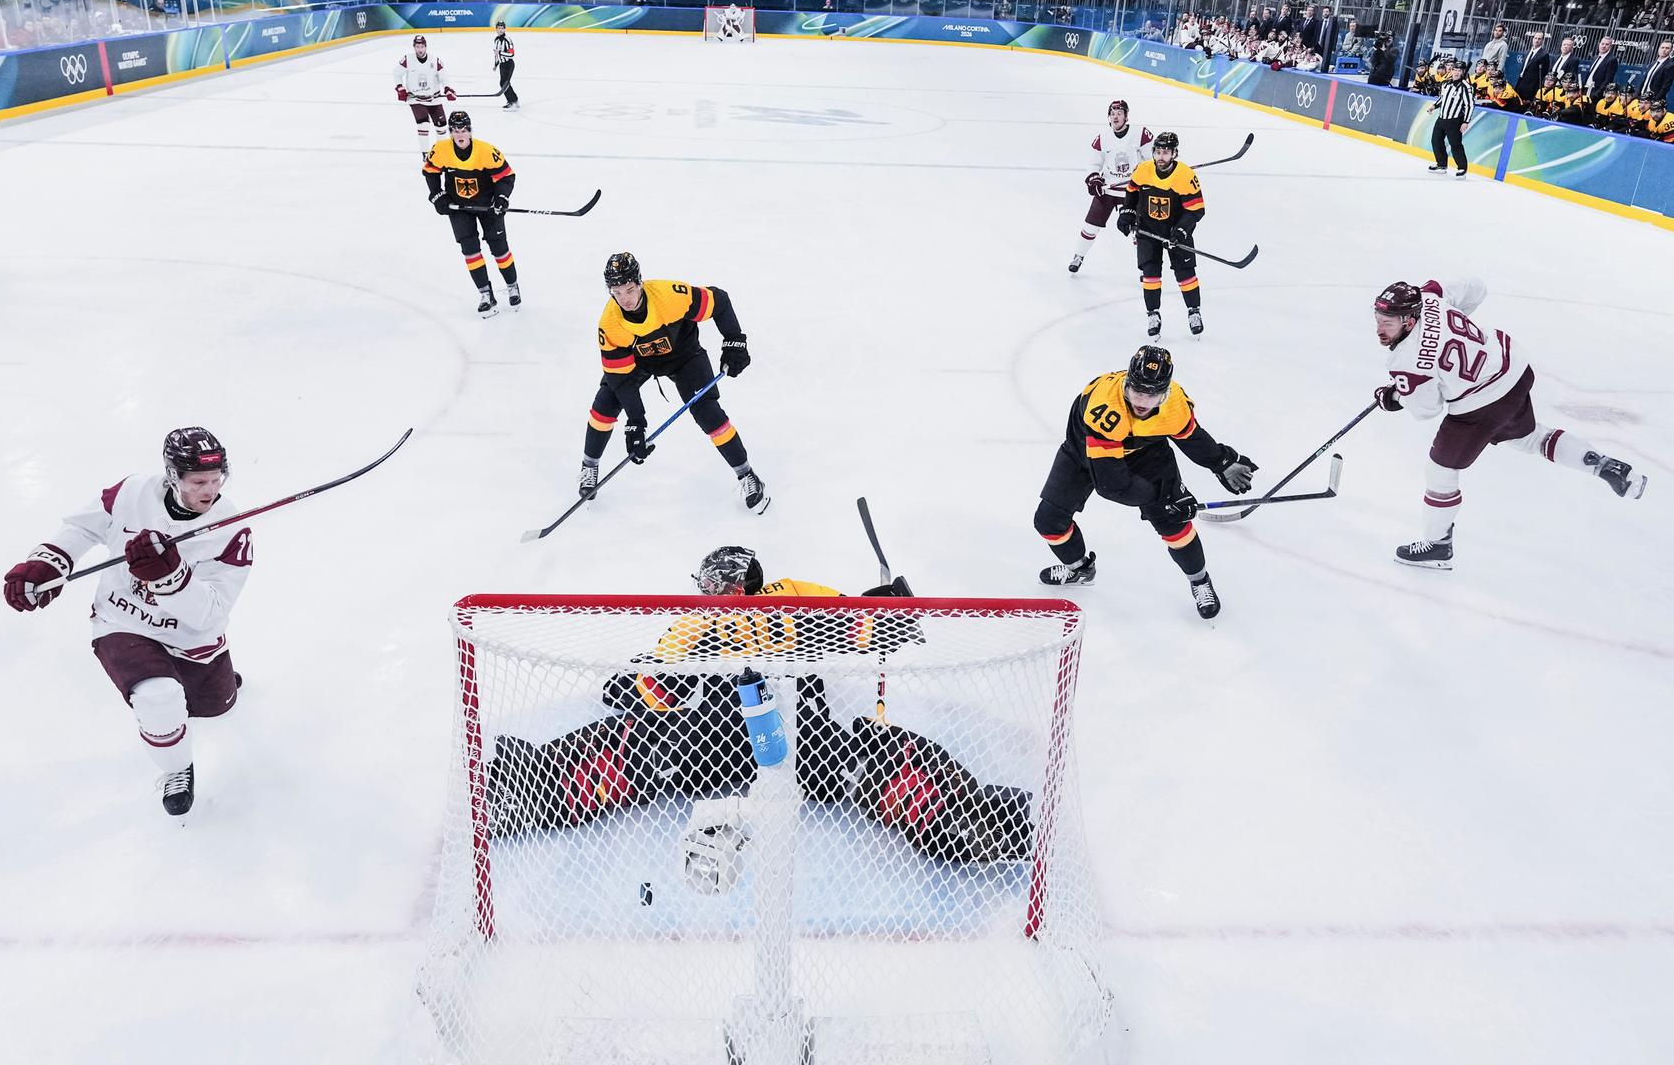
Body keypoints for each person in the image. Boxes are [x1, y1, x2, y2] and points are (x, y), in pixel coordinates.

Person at [482, 548, 1032, 865]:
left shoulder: (743, 609)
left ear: (738, 584)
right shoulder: (753, 606)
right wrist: (889, 607)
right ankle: (525, 785)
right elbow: (862, 625)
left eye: (713, 584)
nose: (705, 593)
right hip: (764, 740)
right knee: (874, 752)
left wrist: (888, 609)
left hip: (757, 740)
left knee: (636, 744)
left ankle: (977, 818)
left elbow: (655, 689)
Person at [1, 427, 254, 816]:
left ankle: (209, 682)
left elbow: (210, 612)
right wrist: (49, 561)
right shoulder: (131, 493)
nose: (210, 489)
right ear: (173, 476)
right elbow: (84, 526)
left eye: (217, 478)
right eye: (198, 481)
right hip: (123, 620)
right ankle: (176, 767)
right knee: (158, 699)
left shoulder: (232, 530)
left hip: (190, 636)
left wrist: (170, 577)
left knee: (217, 705)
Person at [1373, 279, 1645, 569]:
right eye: (1378, 319)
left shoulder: (1406, 361)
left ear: (1409, 320)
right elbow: (1476, 288)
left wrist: (1396, 397)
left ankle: (1437, 546)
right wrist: (1448, 329)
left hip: (1483, 400)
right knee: (1528, 438)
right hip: (1512, 367)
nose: (1379, 329)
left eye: (1388, 323)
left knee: (1440, 470)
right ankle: (1606, 466)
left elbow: (1427, 410)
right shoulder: (1430, 295)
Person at [1032, 346, 1255, 620]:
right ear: (1127, 383)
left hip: (1146, 453)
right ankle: (1079, 569)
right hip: (1085, 452)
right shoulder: (1105, 406)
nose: (1142, 401)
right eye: (1137, 391)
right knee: (1048, 520)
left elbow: (1191, 437)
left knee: (1175, 526)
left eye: (1152, 395)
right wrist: (1166, 499)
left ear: (1165, 392)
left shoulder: (1175, 404)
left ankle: (1199, 580)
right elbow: (1112, 485)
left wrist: (1222, 462)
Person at [583, 252, 767, 513]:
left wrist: (734, 341)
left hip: (684, 357)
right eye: (617, 292)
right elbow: (620, 380)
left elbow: (720, 300)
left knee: (708, 413)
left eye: (630, 289)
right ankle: (589, 467)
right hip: (640, 363)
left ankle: (747, 474)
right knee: (604, 404)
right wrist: (636, 422)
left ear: (640, 282)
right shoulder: (610, 323)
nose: (625, 299)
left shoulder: (669, 296)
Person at [424, 110, 519, 318]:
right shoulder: (440, 150)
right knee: (470, 250)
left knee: (499, 248)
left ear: (470, 131)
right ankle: (486, 294)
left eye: (464, 130)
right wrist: (437, 195)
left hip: (488, 206)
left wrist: (501, 198)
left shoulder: (486, 151)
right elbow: (430, 172)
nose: (460, 134)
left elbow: (506, 176)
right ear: (450, 132)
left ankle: (512, 285)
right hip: (459, 208)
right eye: (455, 130)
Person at [1116, 130, 1206, 340]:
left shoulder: (1185, 175)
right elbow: (1132, 192)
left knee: (1185, 272)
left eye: (1166, 152)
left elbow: (1196, 210)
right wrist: (1127, 214)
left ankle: (1194, 311)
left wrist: (1181, 231)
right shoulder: (1143, 170)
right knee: (1150, 273)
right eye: (1158, 152)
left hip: (1175, 230)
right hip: (1148, 229)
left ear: (1174, 153)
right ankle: (1153, 314)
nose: (1161, 156)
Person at [1070, 99, 1151, 274]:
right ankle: (1078, 256)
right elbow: (1094, 164)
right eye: (1112, 114)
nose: (1115, 117)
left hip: (1133, 190)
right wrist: (1094, 179)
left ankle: (1144, 268)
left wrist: (1145, 173)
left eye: (1119, 113)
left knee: (1138, 231)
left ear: (1126, 116)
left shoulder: (1140, 134)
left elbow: (1151, 160)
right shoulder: (1102, 138)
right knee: (1090, 225)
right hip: (1108, 189)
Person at [397, 34, 456, 158]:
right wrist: (400, 87)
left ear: (426, 46)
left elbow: (444, 76)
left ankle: (439, 153)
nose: (420, 49)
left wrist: (448, 89)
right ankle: (425, 154)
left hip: (434, 99)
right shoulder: (407, 59)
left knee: (442, 126)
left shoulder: (434, 60)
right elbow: (396, 73)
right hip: (415, 99)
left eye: (422, 46)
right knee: (423, 125)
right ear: (414, 47)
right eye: (417, 46)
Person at [1425, 61, 1474, 178]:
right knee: (1436, 140)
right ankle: (1441, 164)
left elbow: (1470, 105)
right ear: (1451, 71)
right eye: (1454, 70)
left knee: (1455, 144)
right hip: (1442, 117)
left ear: (1463, 72)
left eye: (1459, 70)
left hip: (1454, 120)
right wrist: (1434, 106)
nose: (1456, 72)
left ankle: (1462, 168)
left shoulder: (1466, 87)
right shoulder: (1446, 83)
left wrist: (1466, 121)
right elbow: (1443, 98)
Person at [1514, 32, 1550, 102]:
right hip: (1520, 82)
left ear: (1542, 40)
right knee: (1516, 102)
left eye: (1539, 39)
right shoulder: (1526, 52)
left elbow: (1543, 73)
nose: (1537, 40)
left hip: (1531, 86)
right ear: (1532, 39)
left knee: (1525, 104)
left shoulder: (1544, 55)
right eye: (1535, 38)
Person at [492, 20, 519, 110]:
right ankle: (514, 100)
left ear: (505, 29)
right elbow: (496, 54)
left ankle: (512, 101)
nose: (500, 30)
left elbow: (511, 54)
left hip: (509, 64)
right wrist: (496, 64)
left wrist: (500, 52)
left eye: (502, 28)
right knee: (503, 83)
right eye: (499, 28)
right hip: (502, 65)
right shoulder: (496, 40)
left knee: (505, 83)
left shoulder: (508, 40)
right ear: (496, 29)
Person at [1641, 40, 1674, 105]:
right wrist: (1637, 95)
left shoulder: (1670, 66)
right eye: (1662, 47)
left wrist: (1655, 100)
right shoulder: (1652, 63)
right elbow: (1644, 81)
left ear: (1671, 51)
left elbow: (1665, 86)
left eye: (1667, 48)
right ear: (1659, 49)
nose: (1664, 50)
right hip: (1642, 98)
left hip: (1654, 101)